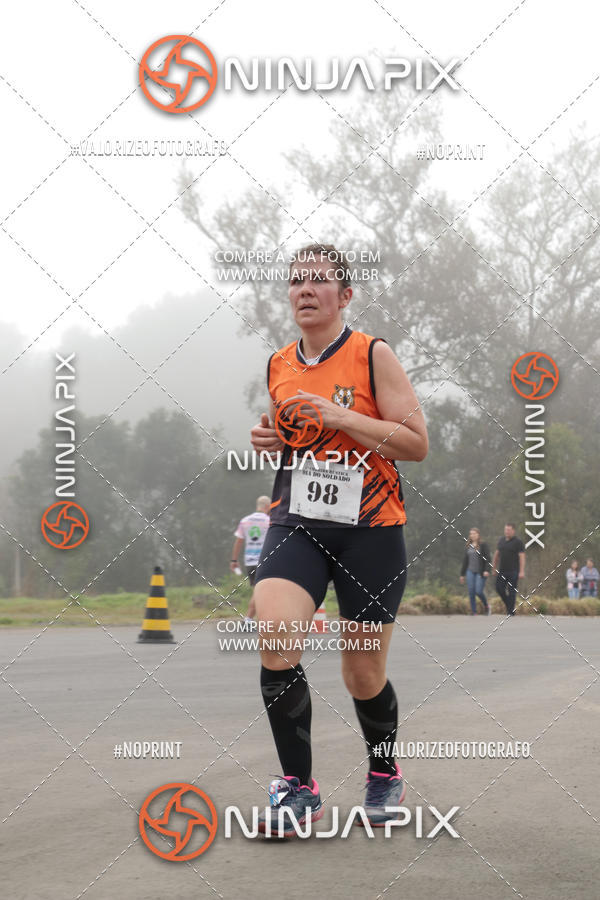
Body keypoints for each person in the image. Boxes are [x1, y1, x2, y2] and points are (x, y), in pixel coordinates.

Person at [249, 243, 428, 835]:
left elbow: (414, 442)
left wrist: (342, 417)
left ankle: (383, 771)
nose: (304, 290)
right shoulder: (278, 364)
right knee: (275, 635)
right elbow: (298, 430)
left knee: (362, 674)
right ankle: (298, 786)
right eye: (296, 281)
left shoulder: (373, 354)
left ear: (345, 295)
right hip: (297, 521)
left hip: (370, 531)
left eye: (318, 281)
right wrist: (276, 438)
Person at [230, 496, 271, 619]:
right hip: (265, 560)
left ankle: (257, 619)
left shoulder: (245, 521)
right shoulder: (270, 521)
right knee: (261, 592)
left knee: (259, 591)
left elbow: (238, 542)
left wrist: (234, 560)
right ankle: (248, 619)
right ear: (268, 507)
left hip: (250, 562)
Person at [491, 523, 525, 616]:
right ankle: (509, 605)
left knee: (511, 591)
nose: (507, 532)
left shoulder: (518, 542)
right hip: (502, 570)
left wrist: (522, 571)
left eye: (509, 530)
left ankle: (510, 612)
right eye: (506, 530)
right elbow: (496, 555)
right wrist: (494, 568)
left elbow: (522, 557)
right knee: (499, 588)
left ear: (513, 531)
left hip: (513, 571)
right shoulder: (501, 540)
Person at [459, 527, 491, 615]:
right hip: (470, 571)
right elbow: (465, 561)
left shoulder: (483, 545)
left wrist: (487, 570)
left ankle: (486, 606)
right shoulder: (468, 545)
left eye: (474, 533)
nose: (472, 535)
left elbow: (488, 559)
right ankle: (474, 611)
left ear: (478, 535)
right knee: (471, 591)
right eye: (471, 534)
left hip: (480, 572)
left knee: (478, 591)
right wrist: (462, 574)